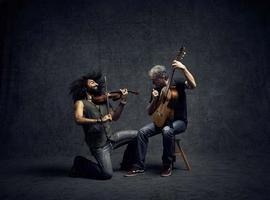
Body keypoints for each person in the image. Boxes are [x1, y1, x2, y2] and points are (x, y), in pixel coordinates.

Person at [125, 60, 196, 177]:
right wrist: (154, 99)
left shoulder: (177, 83)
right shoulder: (156, 89)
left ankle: (167, 165)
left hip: (179, 121)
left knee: (167, 131)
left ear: (163, 77)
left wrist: (183, 68)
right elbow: (149, 112)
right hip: (162, 120)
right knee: (142, 132)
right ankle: (138, 166)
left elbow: (193, 85)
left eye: (154, 80)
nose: (153, 83)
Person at [69, 71, 137, 180]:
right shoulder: (80, 103)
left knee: (139, 135)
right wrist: (99, 120)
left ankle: (126, 163)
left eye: (96, 83)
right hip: (100, 146)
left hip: (111, 139)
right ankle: (80, 163)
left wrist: (122, 101)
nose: (96, 84)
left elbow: (114, 117)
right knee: (106, 174)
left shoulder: (103, 101)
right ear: (84, 87)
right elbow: (78, 119)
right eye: (92, 82)